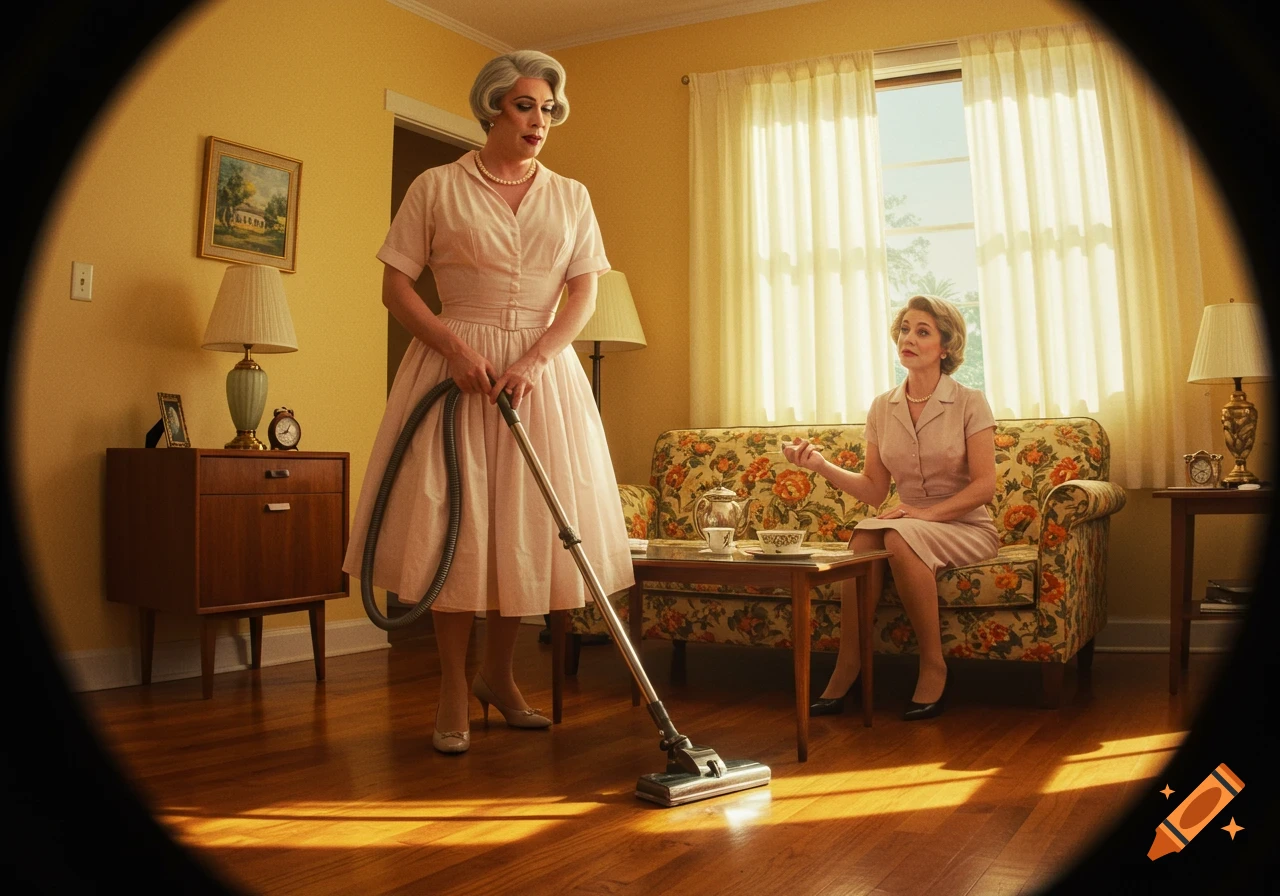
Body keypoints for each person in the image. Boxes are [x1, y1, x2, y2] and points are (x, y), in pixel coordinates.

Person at [342, 50, 635, 754]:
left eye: (548, 109)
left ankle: (499, 679)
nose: (540, 120)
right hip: (455, 370)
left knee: (523, 528)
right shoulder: (436, 187)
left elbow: (584, 291)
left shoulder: (571, 197)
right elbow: (397, 287)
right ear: (492, 109)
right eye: (525, 106)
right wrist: (452, 346)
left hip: (540, 377)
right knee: (459, 527)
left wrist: (536, 356)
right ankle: (451, 684)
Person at [783, 294, 998, 721]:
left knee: (897, 536)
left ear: (946, 346)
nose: (910, 339)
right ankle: (849, 664)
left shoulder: (971, 402)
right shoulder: (883, 407)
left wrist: (924, 514)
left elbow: (985, 487)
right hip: (906, 522)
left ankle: (933, 664)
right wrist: (820, 465)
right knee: (864, 535)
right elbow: (873, 490)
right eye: (905, 329)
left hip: (966, 526)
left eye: (923, 332)